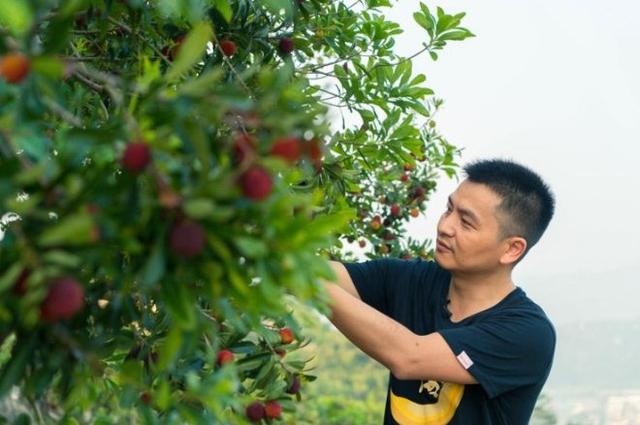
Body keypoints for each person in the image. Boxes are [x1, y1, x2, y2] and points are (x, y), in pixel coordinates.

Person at [322, 158, 556, 425]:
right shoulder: (412, 280)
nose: (445, 227)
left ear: (511, 249)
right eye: (449, 209)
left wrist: (306, 281)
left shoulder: (527, 333)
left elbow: (410, 357)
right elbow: (318, 273)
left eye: (466, 223)